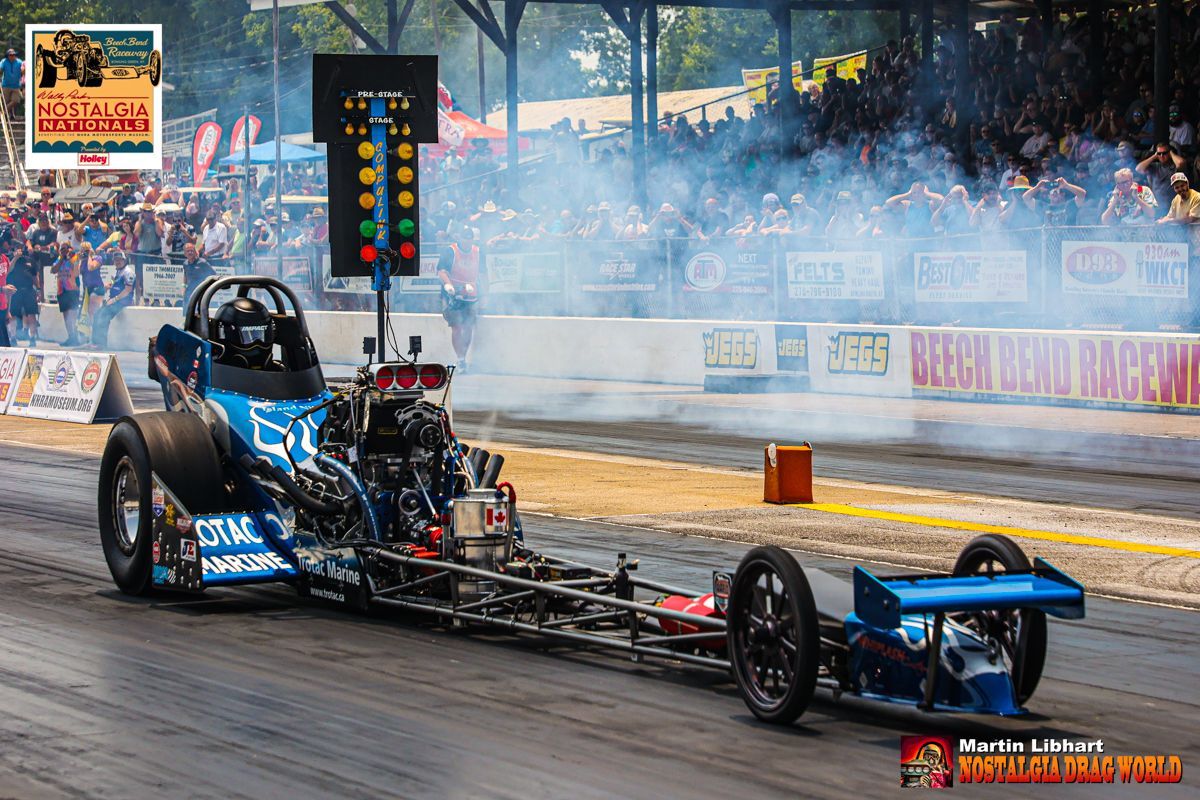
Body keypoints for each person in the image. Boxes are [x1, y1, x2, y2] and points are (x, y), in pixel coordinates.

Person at [437, 228, 482, 370]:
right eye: (465, 238)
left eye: (470, 238)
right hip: (452, 295)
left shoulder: (478, 252)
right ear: (459, 238)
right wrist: (448, 284)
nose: (467, 241)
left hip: (471, 295)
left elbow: (484, 273)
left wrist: (485, 295)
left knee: (468, 327)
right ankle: (460, 359)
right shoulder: (450, 251)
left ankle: (464, 356)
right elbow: (441, 271)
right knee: (457, 327)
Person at [89, 252, 135, 349]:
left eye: (119, 259)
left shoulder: (128, 272)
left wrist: (114, 300)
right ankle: (94, 342)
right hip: (115, 300)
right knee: (97, 314)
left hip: (123, 301)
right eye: (115, 260)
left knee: (104, 315)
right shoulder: (119, 271)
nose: (117, 262)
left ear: (124, 260)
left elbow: (128, 290)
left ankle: (101, 344)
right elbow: (116, 284)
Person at [1135, 143, 1188, 208]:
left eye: (1164, 153)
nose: (1162, 156)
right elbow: (1138, 169)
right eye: (1159, 153)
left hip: (1173, 203)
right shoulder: (1155, 166)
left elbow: (1181, 163)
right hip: (1158, 204)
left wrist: (1171, 153)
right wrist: (1154, 156)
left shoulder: (1174, 166)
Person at [52, 242, 82, 347]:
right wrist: (61, 258)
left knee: (72, 315)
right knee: (66, 315)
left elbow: (76, 269)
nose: (63, 251)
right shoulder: (59, 259)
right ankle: (71, 336)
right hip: (62, 290)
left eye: (65, 249)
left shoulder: (74, 258)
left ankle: (75, 337)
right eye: (62, 249)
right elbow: (53, 270)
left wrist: (70, 256)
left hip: (72, 289)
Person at [1, 49, 23, 119]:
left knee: (16, 100)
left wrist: (23, 70)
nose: (13, 56)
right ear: (8, 56)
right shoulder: (4, 61)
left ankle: (3, 112)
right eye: (11, 55)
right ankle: (11, 115)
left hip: (16, 85)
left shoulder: (19, 62)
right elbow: (0, 69)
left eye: (14, 54)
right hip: (6, 85)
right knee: (6, 101)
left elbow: (23, 70)